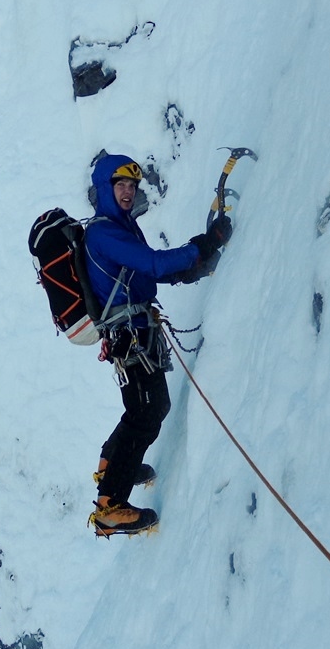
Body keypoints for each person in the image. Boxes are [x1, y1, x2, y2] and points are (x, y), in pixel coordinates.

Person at [84, 153, 231, 536]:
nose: (129, 192)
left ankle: (111, 464)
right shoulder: (104, 233)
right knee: (147, 413)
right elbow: (151, 264)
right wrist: (201, 246)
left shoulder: (121, 228)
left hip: (134, 332)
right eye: (121, 185)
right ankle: (110, 505)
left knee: (145, 408)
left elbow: (144, 277)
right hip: (129, 336)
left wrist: (192, 266)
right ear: (105, 189)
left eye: (132, 186)